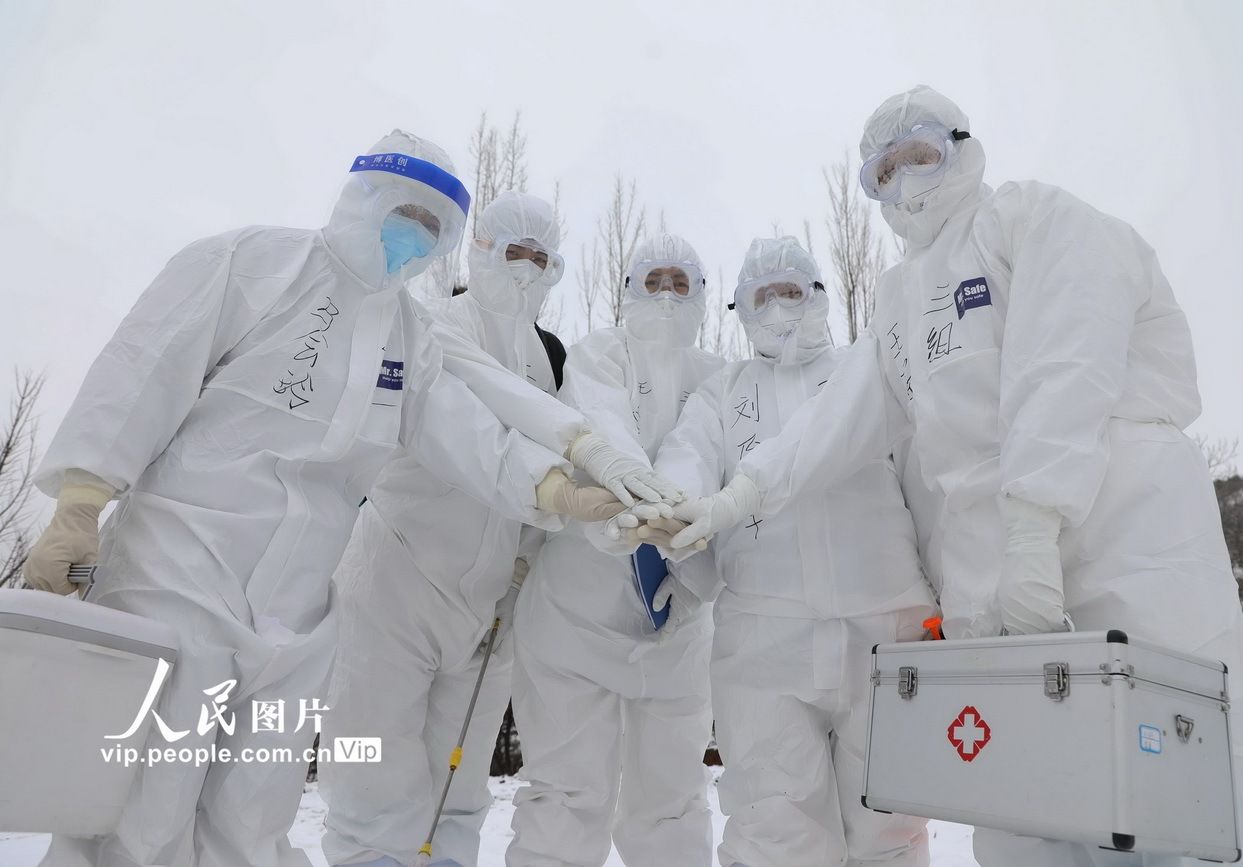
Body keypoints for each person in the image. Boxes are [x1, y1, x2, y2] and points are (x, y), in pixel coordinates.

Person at [21, 130, 678, 867]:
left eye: (432, 226)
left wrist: (558, 492)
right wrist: (80, 503)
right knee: (143, 804)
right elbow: (141, 371)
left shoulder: (406, 335)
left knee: (253, 816)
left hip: (298, 616)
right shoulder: (251, 262)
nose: (414, 236)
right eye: (405, 212)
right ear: (363, 196)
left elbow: (467, 435)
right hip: (180, 573)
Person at [668, 86, 1243, 866]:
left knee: (1172, 801)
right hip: (998, 595)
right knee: (1025, 814)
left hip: (1122, 548)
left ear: (962, 145)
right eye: (884, 172)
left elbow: (1067, 360)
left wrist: (1033, 523)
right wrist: (738, 495)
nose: (907, 181)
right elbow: (835, 421)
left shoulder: (1031, 219)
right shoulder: (898, 300)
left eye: (921, 155)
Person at [652, 236, 937, 867]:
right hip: (764, 638)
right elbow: (687, 456)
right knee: (773, 824)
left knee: (889, 820)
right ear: (740, 310)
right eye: (762, 296)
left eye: (791, 291)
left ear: (819, 295)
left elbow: (927, 481)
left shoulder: (869, 372)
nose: (779, 309)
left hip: (884, 624)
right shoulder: (723, 395)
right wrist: (671, 511)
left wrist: (950, 591)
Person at [320, 190, 570, 867]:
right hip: (399, 575)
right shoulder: (431, 327)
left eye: (541, 259)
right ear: (480, 250)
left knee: (458, 781)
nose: (525, 270)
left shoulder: (548, 360)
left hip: (488, 600)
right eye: (513, 253)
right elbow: (467, 439)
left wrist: (526, 561)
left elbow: (552, 461)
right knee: (374, 765)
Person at [506, 234, 725, 867]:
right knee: (566, 797)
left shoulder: (716, 376)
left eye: (681, 283)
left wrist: (675, 512)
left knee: (674, 798)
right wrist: (642, 499)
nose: (665, 294)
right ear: (627, 289)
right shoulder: (598, 355)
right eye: (652, 280)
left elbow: (701, 445)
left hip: (678, 623)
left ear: (704, 296)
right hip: (576, 616)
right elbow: (603, 429)